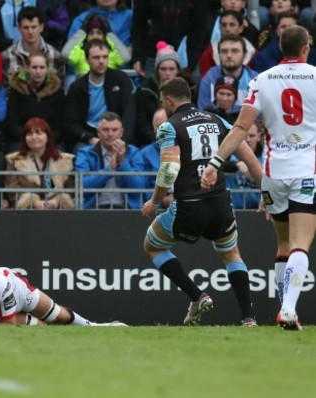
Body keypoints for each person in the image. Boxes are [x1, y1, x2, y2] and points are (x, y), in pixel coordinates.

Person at [201, 25, 316, 331]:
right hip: (307, 170)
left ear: (281, 48)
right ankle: (289, 310)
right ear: (306, 48)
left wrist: (215, 162)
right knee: (300, 244)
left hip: (273, 173)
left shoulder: (261, 80)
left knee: (282, 244)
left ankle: (284, 307)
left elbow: (240, 128)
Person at [141, 77, 263, 327]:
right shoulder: (217, 120)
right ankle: (249, 318)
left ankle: (197, 296)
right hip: (220, 204)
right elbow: (250, 160)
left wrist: (154, 202)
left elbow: (169, 170)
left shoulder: (169, 126)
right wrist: (267, 194)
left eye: (163, 101)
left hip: (189, 207)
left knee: (152, 245)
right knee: (231, 255)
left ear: (169, 100)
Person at [0, 257, 127, 326]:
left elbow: (8, 325)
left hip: (19, 290)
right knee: (39, 328)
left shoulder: (1, 285)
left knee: (57, 315)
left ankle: (93, 326)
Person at [65, 40, 135, 152]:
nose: (101, 61)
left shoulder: (121, 80)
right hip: (89, 136)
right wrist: (90, 138)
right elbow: (71, 122)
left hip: (117, 134)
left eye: (105, 57)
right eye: (96, 57)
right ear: (87, 59)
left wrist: (121, 139)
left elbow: (129, 114)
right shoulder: (77, 87)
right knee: (81, 151)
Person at [75, 112, 141, 209]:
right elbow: (82, 185)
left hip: (127, 209)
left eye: (114, 130)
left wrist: (122, 162)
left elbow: (138, 187)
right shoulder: (85, 153)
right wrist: (109, 169)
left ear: (121, 132)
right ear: (98, 132)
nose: (110, 134)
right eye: (106, 130)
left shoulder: (134, 152)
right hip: (93, 209)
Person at [5, 117, 75, 210]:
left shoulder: (65, 160)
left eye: (38, 133)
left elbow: (70, 190)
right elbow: (12, 191)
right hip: (26, 214)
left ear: (47, 137)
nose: (34, 137)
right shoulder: (14, 160)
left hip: (58, 214)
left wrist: (57, 201)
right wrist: (33, 202)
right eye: (29, 134)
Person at [5, 51, 66, 152]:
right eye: (34, 67)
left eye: (42, 67)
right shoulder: (16, 90)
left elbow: (60, 125)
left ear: (47, 69)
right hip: (21, 140)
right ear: (27, 68)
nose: (38, 71)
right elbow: (12, 123)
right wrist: (30, 139)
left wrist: (45, 140)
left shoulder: (57, 92)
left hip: (50, 141)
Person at [0, 6, 65, 84]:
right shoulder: (6, 56)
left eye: (34, 27)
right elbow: (4, 89)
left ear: (41, 27)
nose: (30, 31)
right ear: (19, 28)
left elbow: (60, 87)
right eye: (25, 27)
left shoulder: (55, 55)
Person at [198, 35, 258, 112]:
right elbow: (203, 114)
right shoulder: (208, 79)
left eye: (234, 51)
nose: (229, 55)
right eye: (224, 51)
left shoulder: (256, 81)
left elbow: (260, 117)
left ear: (244, 55)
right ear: (219, 55)